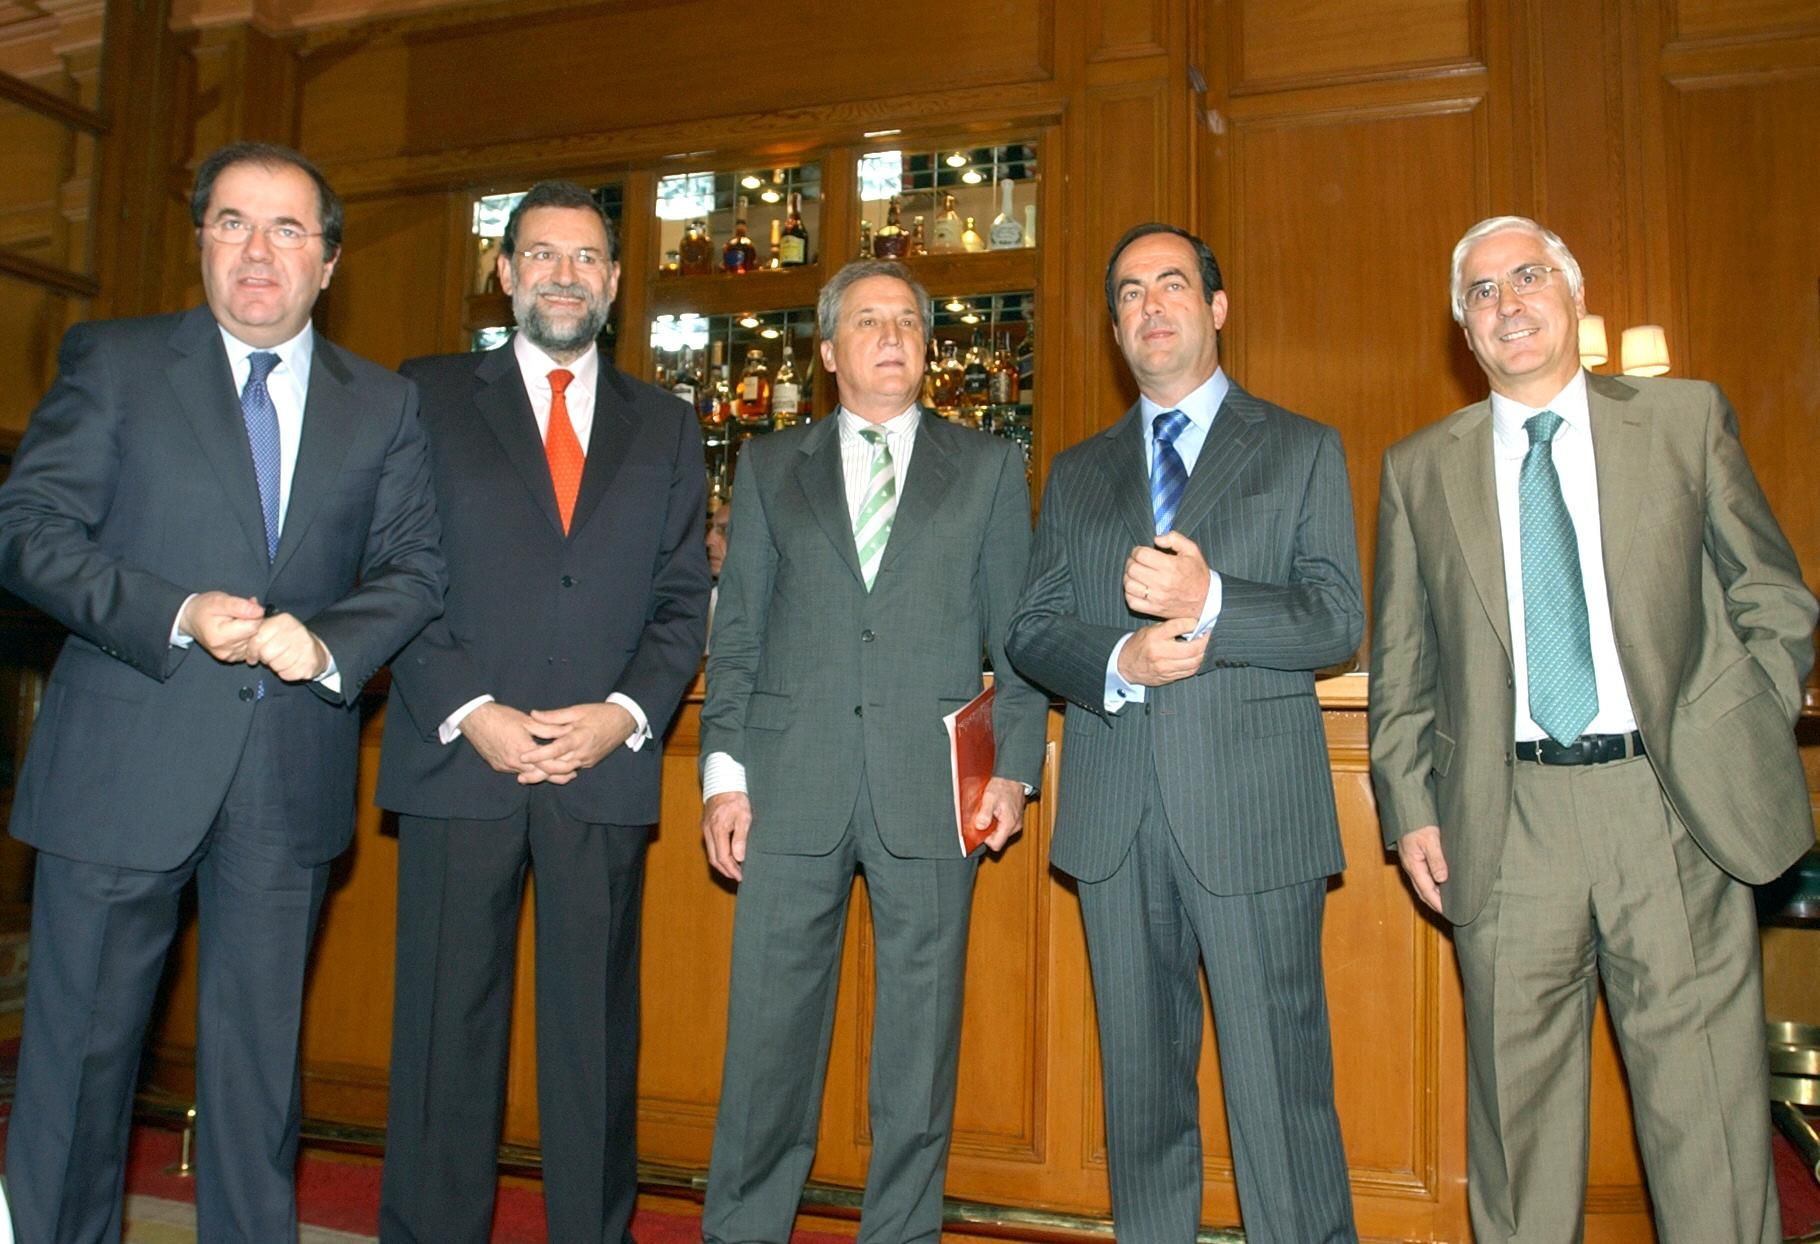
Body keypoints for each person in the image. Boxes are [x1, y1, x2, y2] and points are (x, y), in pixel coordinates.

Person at [0, 140, 445, 1241]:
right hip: (119, 766)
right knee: (76, 1078)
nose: (260, 249)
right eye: (235, 222)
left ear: (328, 263)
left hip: (284, 775)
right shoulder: (114, 361)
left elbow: (416, 568)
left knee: (257, 1092)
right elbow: (26, 532)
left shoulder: (381, 405)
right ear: (200, 240)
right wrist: (175, 609)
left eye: (289, 228)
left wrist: (327, 642)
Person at [1369, 215, 1816, 1243]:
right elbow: (1402, 667)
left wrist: (1729, 722)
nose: (1505, 302)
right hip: (1503, 821)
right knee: (1517, 1146)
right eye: (1478, 292)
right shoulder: (1415, 469)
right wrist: (1408, 808)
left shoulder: (1679, 418)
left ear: (1570, 295)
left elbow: (1773, 595)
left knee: (1703, 1121)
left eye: (1525, 276)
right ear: (1462, 330)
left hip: (1667, 810)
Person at [1006, 223, 1362, 1242]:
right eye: (1127, 292)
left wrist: (1213, 600)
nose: (1148, 304)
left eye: (1170, 284)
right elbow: (1031, 628)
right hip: (1116, 822)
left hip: (1252, 820)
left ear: (1215, 306)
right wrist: (1116, 662)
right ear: (1114, 325)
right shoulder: (1074, 472)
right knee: (1142, 1104)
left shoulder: (1297, 446)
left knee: (1280, 1099)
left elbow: (1335, 618)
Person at [375, 180, 708, 1243]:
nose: (565, 274)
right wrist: (468, 705)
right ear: (506, 272)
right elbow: (391, 574)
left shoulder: (667, 422)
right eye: (542, 255)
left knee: (591, 1047)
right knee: (442, 1044)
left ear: (613, 282)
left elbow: (679, 599)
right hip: (458, 758)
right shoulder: (421, 396)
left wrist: (623, 713)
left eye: (587, 258)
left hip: (597, 766)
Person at [698, 258, 1047, 1243]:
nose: (890, 335)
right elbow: (740, 637)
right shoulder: (770, 466)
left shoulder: (982, 466)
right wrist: (722, 774)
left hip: (932, 793)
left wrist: (1012, 769)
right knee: (766, 1044)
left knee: (916, 1053)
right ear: (826, 349)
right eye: (867, 320)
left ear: (926, 345)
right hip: (786, 786)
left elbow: (1014, 638)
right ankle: (741, 1229)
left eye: (906, 320)